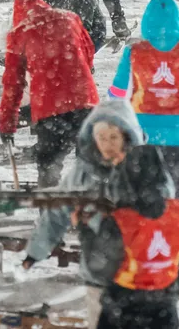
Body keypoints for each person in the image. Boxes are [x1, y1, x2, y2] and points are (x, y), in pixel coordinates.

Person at [23, 100, 147, 328]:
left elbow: (167, 214)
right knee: (100, 318)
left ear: (127, 137)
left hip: (139, 267)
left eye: (113, 138)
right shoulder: (83, 173)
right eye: (102, 138)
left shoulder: (146, 168)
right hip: (97, 266)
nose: (107, 144)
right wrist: (36, 251)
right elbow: (56, 213)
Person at [107, 0, 179, 203]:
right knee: (176, 201)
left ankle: (146, 233)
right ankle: (177, 233)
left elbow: (116, 95)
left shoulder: (133, 53)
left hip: (142, 136)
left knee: (142, 199)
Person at [0, 0, 99, 187]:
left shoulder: (20, 32)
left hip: (50, 110)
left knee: (49, 167)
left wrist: (7, 123)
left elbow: (13, 84)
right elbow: (88, 50)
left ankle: (51, 209)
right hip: (86, 103)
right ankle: (90, 207)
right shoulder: (70, 18)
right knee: (90, 165)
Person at [85, 145, 179, 329]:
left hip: (123, 308)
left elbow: (99, 269)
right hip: (165, 307)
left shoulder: (119, 219)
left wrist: (88, 232)